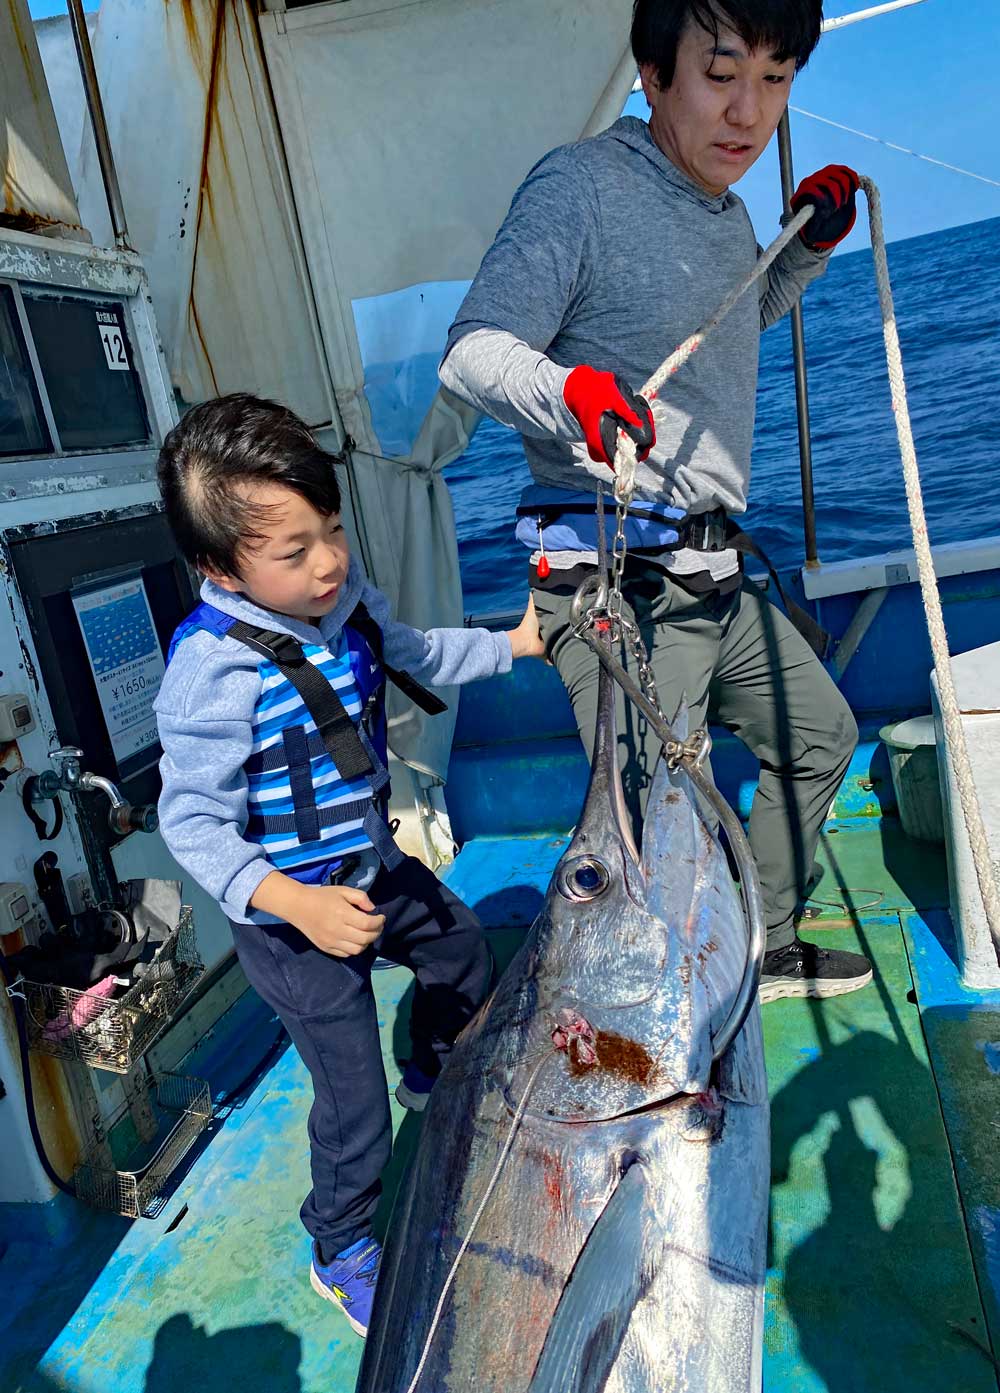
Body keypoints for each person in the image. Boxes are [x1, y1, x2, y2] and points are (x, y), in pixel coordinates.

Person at [439, 0, 872, 1003]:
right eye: (721, 73)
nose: (750, 111)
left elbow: (733, 325)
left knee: (821, 737)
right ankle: (657, 1036)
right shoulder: (580, 187)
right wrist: (569, 390)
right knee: (656, 827)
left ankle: (756, 946)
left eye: (776, 77)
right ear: (650, 73)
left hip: (716, 571)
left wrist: (804, 246)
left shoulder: (725, 216)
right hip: (615, 580)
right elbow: (472, 350)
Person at [153, 393, 543, 1337]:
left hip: (374, 866)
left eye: (330, 529)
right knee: (350, 1101)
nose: (327, 561)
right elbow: (190, 820)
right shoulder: (212, 668)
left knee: (462, 956)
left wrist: (519, 642)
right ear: (219, 568)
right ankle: (342, 1244)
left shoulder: (346, 595)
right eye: (292, 552)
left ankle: (435, 1075)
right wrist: (296, 904)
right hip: (291, 921)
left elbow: (413, 650)